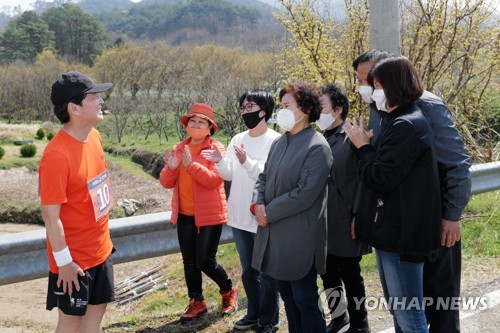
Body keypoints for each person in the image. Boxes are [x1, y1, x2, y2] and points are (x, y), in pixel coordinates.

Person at [353, 49, 472, 333]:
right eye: (361, 81)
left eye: (370, 81)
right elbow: (383, 166)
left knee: (439, 303)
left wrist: (452, 214)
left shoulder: (426, 106)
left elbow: (456, 163)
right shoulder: (380, 110)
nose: (364, 88)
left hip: (433, 218)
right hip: (399, 223)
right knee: (404, 306)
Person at [345, 56, 441, 333]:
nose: (374, 92)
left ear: (394, 85)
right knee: (399, 312)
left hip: (403, 234)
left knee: (410, 317)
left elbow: (381, 178)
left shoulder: (405, 125)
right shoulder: (396, 120)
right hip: (393, 231)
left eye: (377, 85)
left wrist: (363, 147)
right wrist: (364, 146)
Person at [251, 83, 333, 333]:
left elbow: (304, 193)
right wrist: (257, 204)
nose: (281, 111)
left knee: (304, 298)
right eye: (281, 106)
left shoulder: (317, 146)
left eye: (287, 106)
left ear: (306, 110)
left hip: (300, 237)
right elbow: (263, 178)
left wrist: (269, 211)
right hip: (275, 235)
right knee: (287, 296)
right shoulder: (279, 143)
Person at [38, 71, 115, 332]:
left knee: (95, 317)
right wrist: (64, 264)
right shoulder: (57, 155)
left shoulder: (94, 137)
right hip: (74, 263)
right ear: (74, 108)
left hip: (101, 250)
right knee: (71, 324)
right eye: (94, 97)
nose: (101, 101)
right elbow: (51, 216)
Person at [201, 91, 281, 332]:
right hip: (238, 216)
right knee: (249, 272)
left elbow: (270, 177)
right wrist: (219, 160)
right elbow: (229, 175)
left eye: (250, 106)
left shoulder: (275, 140)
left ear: (264, 110)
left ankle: (269, 320)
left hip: (260, 217)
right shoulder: (237, 138)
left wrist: (247, 162)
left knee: (266, 272)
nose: (245, 111)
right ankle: (253, 314)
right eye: (243, 107)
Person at [159, 103, 238, 323]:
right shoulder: (179, 148)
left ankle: (228, 291)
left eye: (201, 122)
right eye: (192, 121)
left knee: (205, 261)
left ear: (210, 128)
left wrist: (191, 165)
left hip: (210, 215)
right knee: (190, 262)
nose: (195, 125)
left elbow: (214, 180)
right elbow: (166, 183)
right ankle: (197, 302)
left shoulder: (215, 149)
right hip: (185, 215)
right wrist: (173, 167)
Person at [318, 84, 371, 333]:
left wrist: (359, 216)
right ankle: (339, 317)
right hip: (322, 221)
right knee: (327, 273)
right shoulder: (317, 137)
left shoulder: (351, 135)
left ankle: (360, 324)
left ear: (338, 109)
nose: (317, 111)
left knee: (351, 274)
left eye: (322, 106)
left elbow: (365, 180)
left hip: (346, 217)